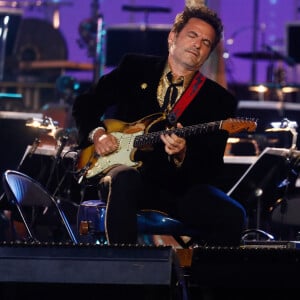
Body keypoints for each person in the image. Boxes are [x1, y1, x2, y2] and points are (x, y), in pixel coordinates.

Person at [72, 5, 247, 246]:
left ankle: (201, 281)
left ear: (209, 53)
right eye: (192, 35)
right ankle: (126, 270)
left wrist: (183, 154)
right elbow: (85, 104)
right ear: (172, 37)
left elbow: (212, 168)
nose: (198, 45)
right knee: (125, 178)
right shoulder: (134, 68)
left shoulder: (219, 100)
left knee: (233, 214)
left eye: (206, 42)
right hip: (122, 177)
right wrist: (99, 135)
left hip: (177, 189)